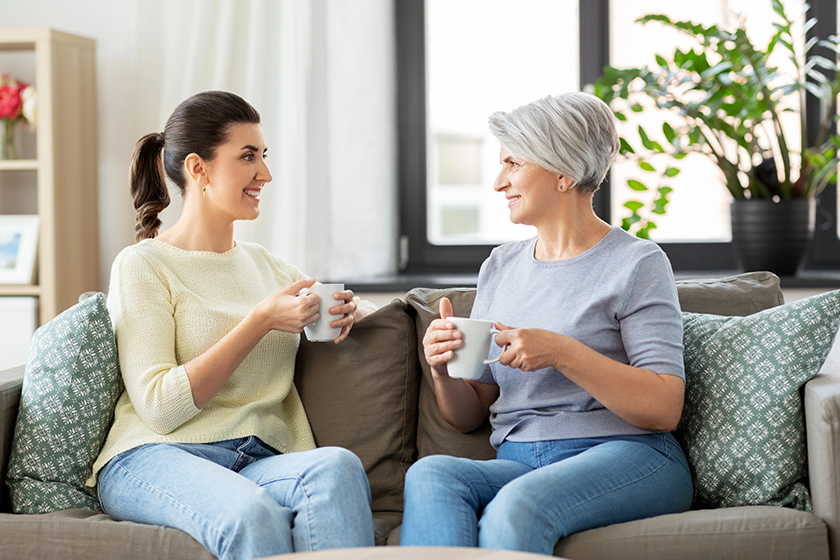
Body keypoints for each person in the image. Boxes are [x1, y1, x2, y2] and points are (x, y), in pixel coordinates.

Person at [401, 92, 693, 554]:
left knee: (519, 505)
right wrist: (442, 370)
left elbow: (663, 407)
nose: (499, 182)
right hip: (520, 460)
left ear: (564, 173)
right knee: (431, 474)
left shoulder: (637, 263)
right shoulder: (499, 266)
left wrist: (561, 351)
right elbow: (470, 414)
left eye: (513, 163)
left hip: (627, 455)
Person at [89, 91, 376, 560]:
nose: (265, 174)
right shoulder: (143, 265)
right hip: (157, 456)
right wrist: (259, 321)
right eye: (248, 157)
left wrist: (352, 312)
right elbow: (160, 407)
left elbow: (354, 306)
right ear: (198, 169)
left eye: (263, 156)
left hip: (257, 459)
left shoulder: (264, 265)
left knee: (336, 468)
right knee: (251, 514)